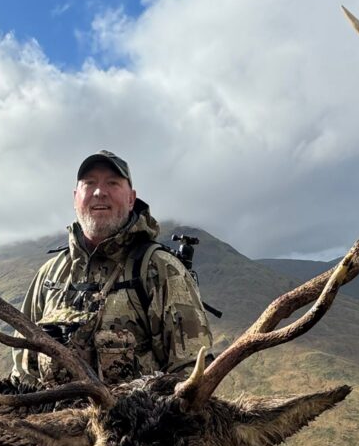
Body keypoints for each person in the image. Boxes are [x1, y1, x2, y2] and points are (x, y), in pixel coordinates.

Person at [13, 150, 214, 386]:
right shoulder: (49, 276)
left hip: (138, 411)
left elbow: (192, 375)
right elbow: (22, 373)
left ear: (131, 199)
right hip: (51, 411)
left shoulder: (161, 270)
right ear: (75, 198)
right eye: (89, 183)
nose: (100, 192)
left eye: (112, 183)